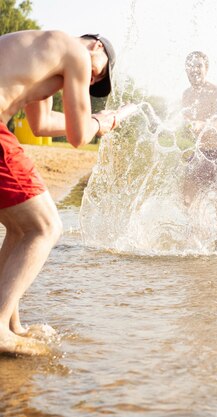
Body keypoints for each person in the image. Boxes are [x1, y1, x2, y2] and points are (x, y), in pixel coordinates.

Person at [0, 30, 122, 355]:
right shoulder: (78, 53)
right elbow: (80, 135)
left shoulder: (45, 51)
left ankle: (12, 324)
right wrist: (101, 121)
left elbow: (42, 125)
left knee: (20, 226)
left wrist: (96, 120)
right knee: (46, 227)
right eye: (101, 73)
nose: (94, 82)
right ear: (97, 45)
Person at [181, 51, 217, 249]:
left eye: (199, 66)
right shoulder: (186, 95)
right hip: (200, 152)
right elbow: (186, 126)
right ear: (185, 70)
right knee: (187, 195)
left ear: (206, 69)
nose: (194, 70)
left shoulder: (216, 90)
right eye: (190, 66)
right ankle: (194, 238)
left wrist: (202, 124)